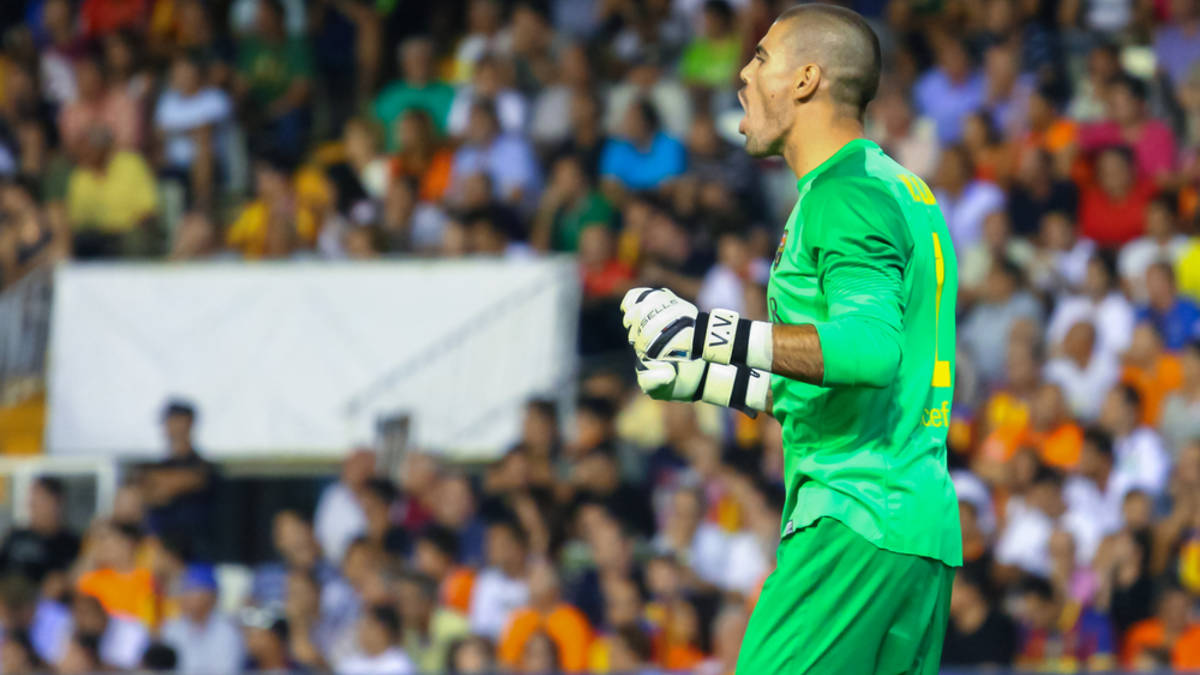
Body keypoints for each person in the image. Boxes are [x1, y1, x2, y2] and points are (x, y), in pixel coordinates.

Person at [621, 6, 960, 673]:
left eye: (761, 58)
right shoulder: (901, 190)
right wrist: (710, 377)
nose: (743, 75)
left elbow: (869, 351)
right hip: (916, 530)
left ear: (806, 80)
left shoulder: (844, 197)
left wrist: (706, 329)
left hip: (852, 518)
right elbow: (856, 387)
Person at [141, 399, 219, 558]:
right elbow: (145, 492)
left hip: (195, 552)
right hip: (160, 550)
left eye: (177, 420)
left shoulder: (203, 466)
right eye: (170, 421)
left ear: (189, 423)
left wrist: (161, 484)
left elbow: (192, 480)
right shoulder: (157, 466)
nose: (173, 426)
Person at [159, 564, 244, 674]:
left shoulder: (228, 631)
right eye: (185, 591)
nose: (185, 597)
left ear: (211, 596)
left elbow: (228, 670)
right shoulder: (171, 629)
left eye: (192, 590)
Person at [0, 477, 80, 590]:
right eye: (32, 500)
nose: (32, 506)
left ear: (56, 502)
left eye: (39, 500)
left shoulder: (70, 542)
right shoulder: (16, 536)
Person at [1135, 262, 1200, 351]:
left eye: (1155, 280)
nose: (1149, 286)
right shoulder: (1143, 314)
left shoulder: (1189, 310)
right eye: (1147, 281)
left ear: (1169, 281)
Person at [335, 604, 415, 674]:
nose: (363, 632)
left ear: (386, 631)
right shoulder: (348, 664)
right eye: (362, 626)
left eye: (370, 626)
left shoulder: (400, 665)